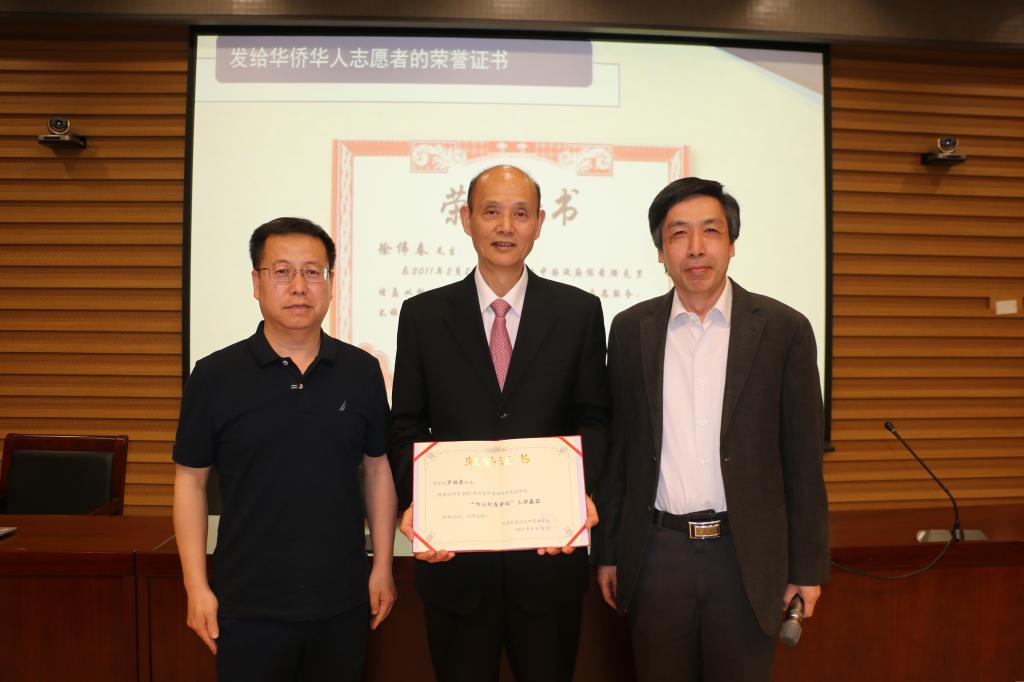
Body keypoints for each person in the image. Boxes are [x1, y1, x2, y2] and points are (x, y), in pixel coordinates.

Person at [593, 178, 829, 682]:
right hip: (657, 555)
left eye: (711, 231)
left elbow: (804, 460)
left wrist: (806, 568)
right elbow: (621, 452)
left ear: (732, 244)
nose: (695, 248)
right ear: (661, 251)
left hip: (746, 557)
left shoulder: (783, 329)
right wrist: (609, 551)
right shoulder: (631, 330)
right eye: (679, 234)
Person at [389, 165, 610, 682]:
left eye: (520, 213)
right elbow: (406, 425)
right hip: (455, 562)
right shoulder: (423, 315)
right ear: (466, 219)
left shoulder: (578, 311)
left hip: (548, 558)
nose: (505, 226)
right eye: (491, 212)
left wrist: (579, 493)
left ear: (540, 223)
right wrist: (420, 502)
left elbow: (594, 417)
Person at [172, 217, 397, 682]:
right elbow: (190, 482)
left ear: (330, 284)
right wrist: (196, 586)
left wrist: (383, 566)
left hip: (342, 601)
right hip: (246, 603)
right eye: (281, 272)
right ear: (256, 283)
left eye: (313, 272)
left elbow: (377, 470)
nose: (299, 286)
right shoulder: (214, 375)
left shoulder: (361, 371)